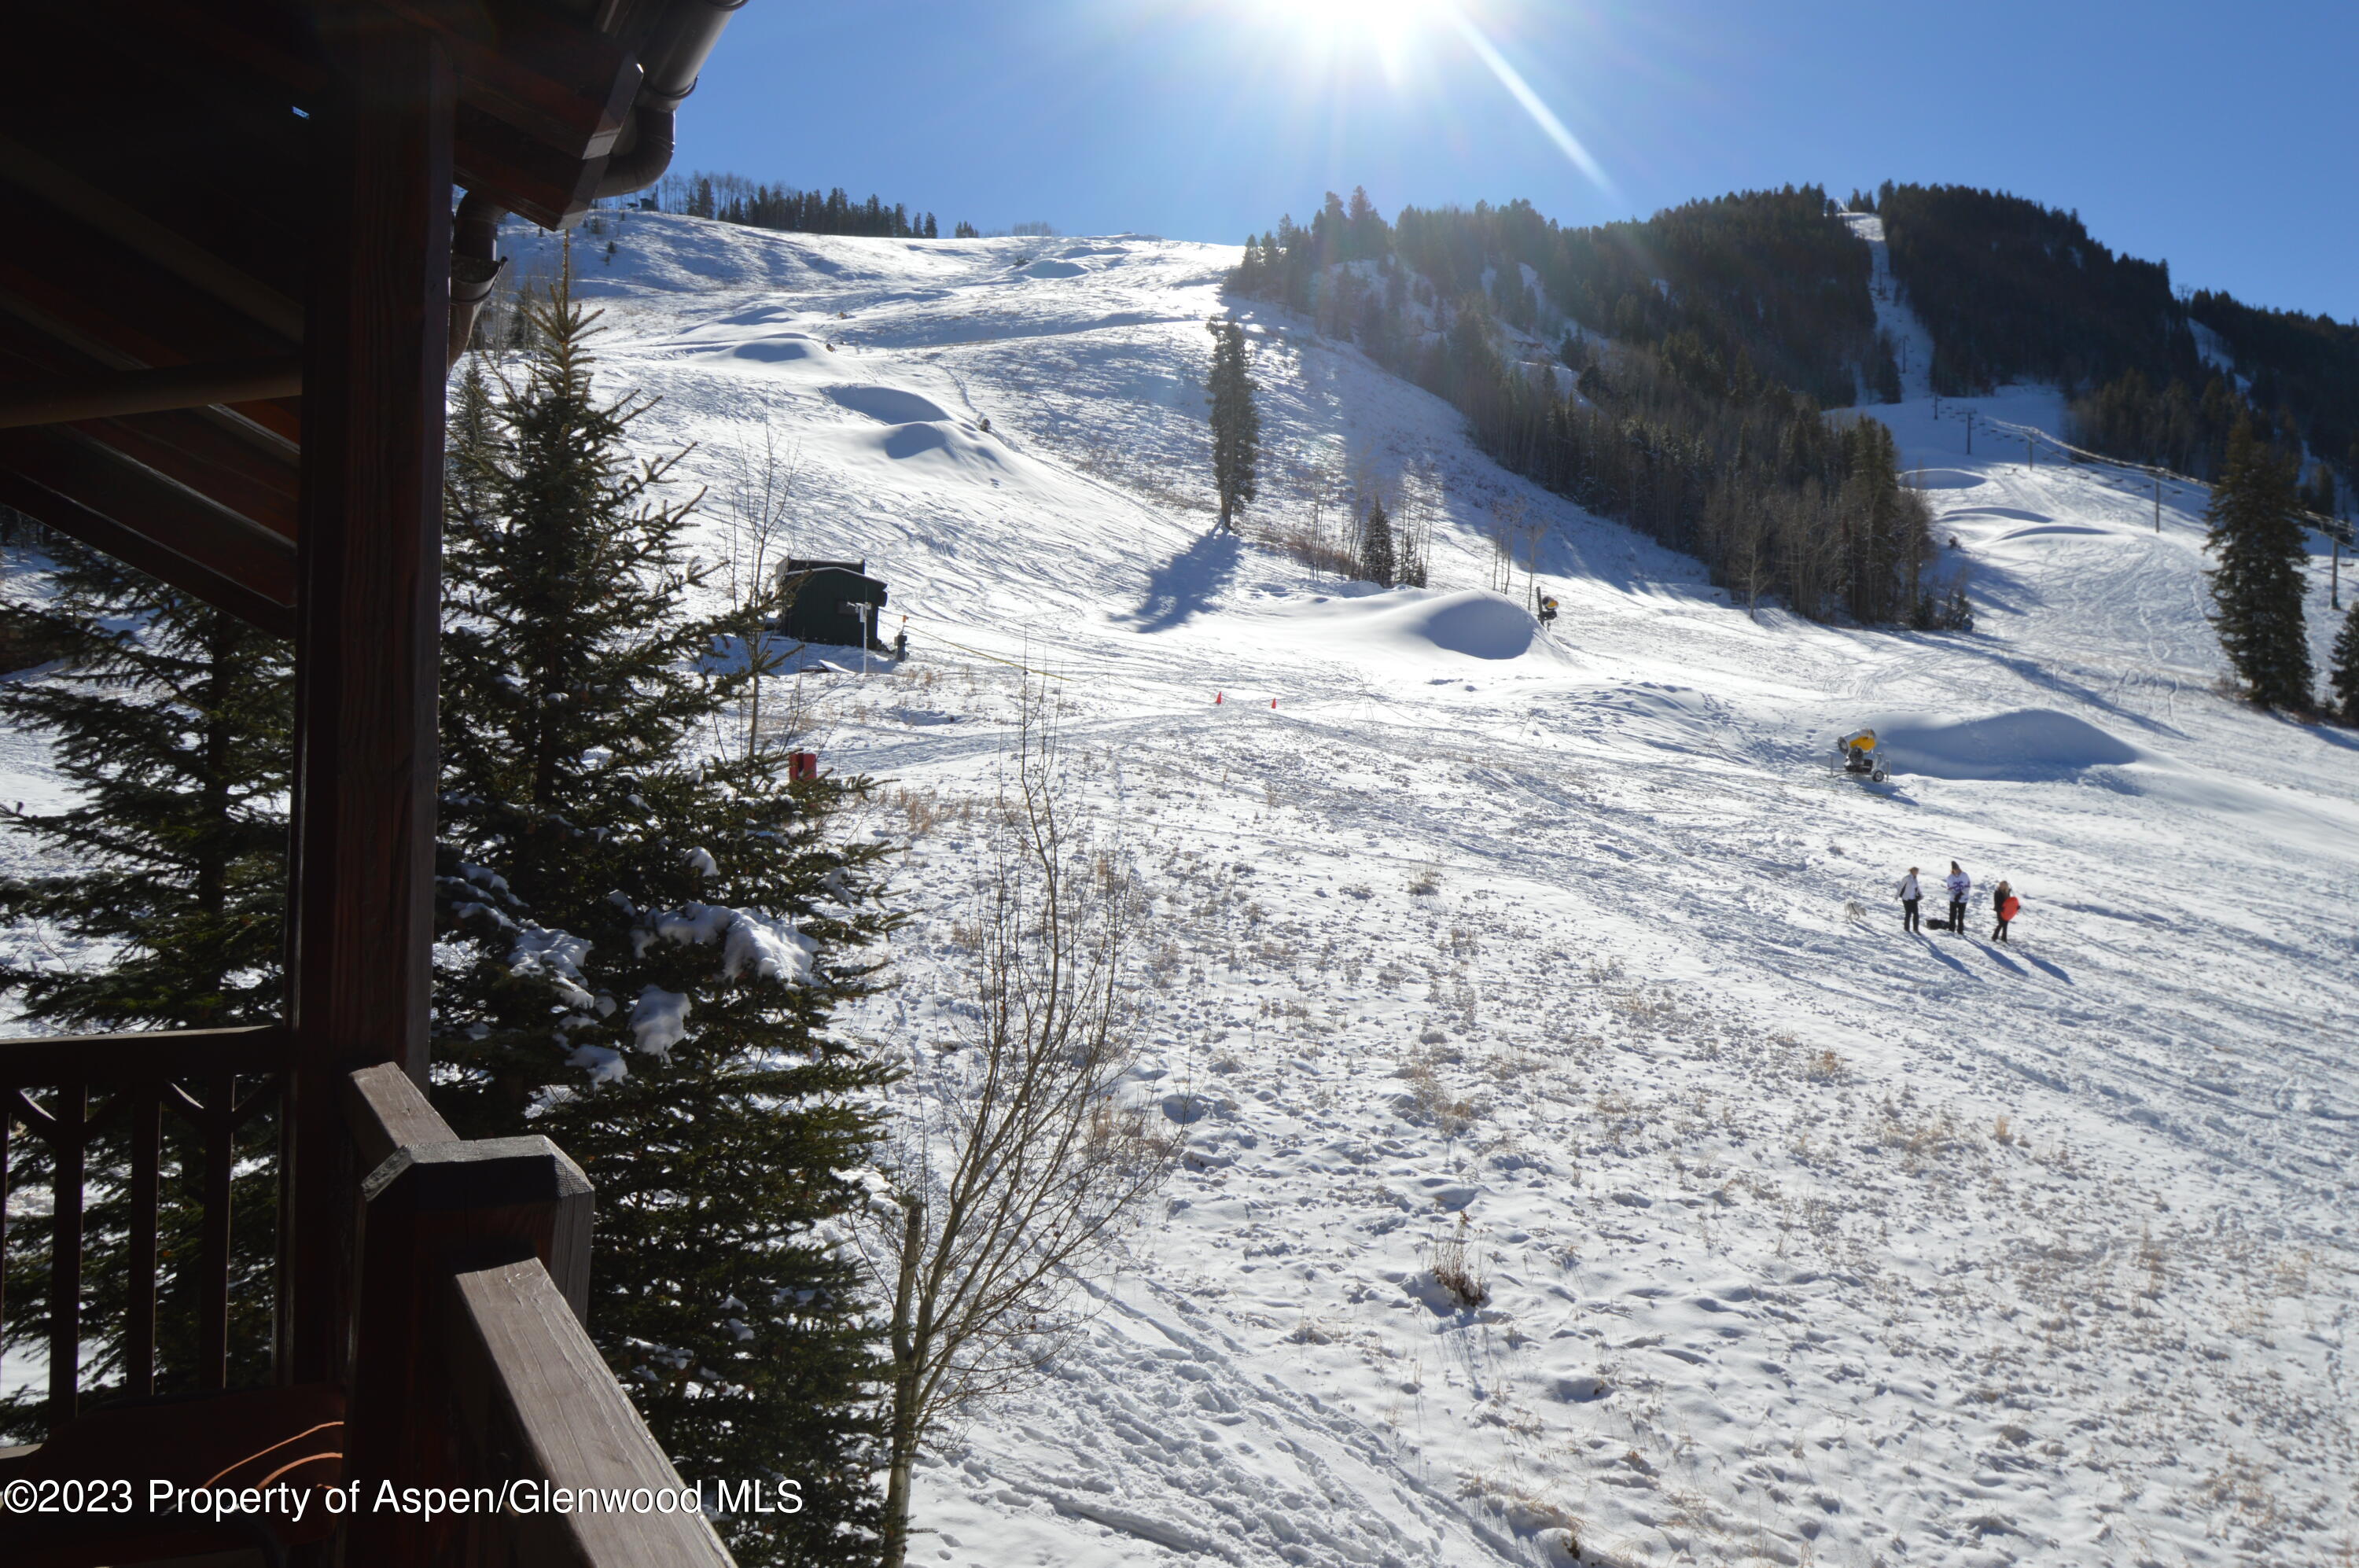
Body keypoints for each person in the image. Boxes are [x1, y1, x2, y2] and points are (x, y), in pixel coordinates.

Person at [1943, 862, 1971, 933]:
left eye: (1958, 869)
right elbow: (1950, 889)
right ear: (1953, 870)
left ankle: (1960, 930)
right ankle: (1951, 928)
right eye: (1955, 869)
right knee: (1952, 914)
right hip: (1954, 899)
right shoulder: (1950, 877)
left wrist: (1960, 894)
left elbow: (1967, 886)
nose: (1957, 870)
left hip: (1963, 899)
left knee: (1961, 916)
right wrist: (1955, 896)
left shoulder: (1964, 875)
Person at [1990, 879, 2018, 944]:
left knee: (2005, 924)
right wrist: (2000, 909)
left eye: (2003, 885)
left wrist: (2016, 907)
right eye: (2001, 885)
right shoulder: (1997, 892)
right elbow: (1996, 902)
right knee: (2001, 923)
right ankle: (1994, 936)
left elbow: (2010, 902)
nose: (2001, 886)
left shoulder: (2007, 892)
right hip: (1999, 910)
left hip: (2006, 910)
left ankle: (2004, 938)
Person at [1895, 866, 1922, 933]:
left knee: (1916, 914)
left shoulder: (1915, 878)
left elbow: (1917, 888)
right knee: (1908, 914)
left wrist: (1920, 895)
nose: (1917, 873)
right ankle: (1907, 928)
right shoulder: (1907, 878)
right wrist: (1897, 896)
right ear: (1913, 871)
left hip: (1913, 899)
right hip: (1906, 899)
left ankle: (1916, 929)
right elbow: (1901, 887)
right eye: (1916, 871)